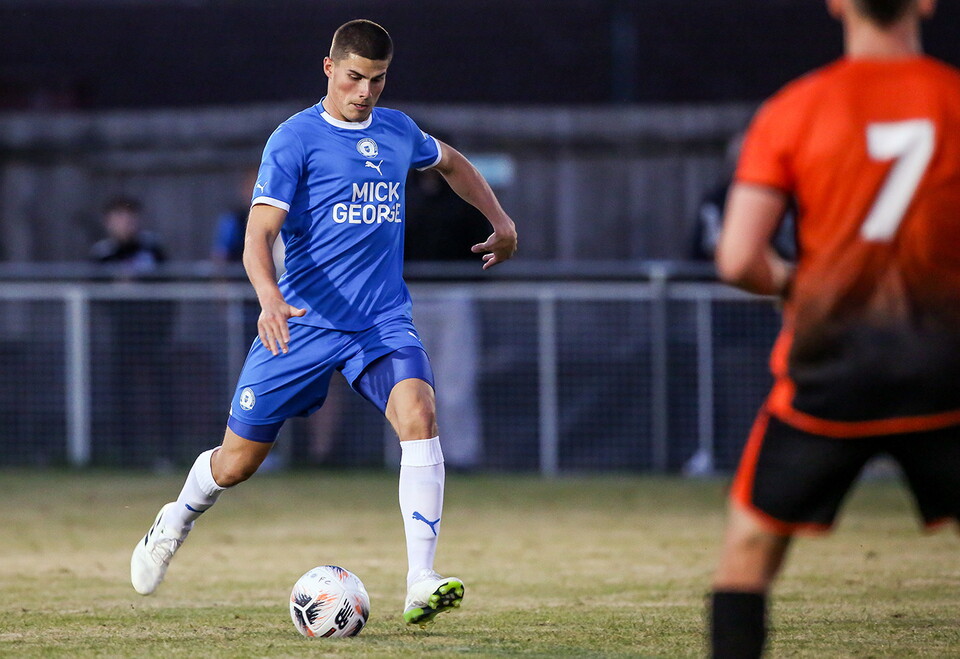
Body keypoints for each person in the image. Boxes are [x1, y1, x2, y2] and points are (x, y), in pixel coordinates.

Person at [130, 19, 518, 628]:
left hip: (381, 321)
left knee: (419, 414)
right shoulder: (294, 140)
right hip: (302, 322)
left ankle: (421, 580)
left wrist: (501, 219)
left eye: (379, 79)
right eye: (356, 76)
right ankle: (175, 517)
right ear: (330, 68)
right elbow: (258, 235)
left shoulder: (396, 131)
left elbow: (452, 163)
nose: (366, 91)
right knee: (236, 464)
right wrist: (267, 298)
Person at [708, 1, 960, 656]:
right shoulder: (952, 99)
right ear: (926, 3)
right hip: (947, 373)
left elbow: (738, 258)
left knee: (747, 558)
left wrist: (801, 284)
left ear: (837, 3)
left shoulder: (795, 109)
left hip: (830, 374)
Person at [90, 197, 175, 468]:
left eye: (129, 217)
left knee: (162, 393)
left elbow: (169, 287)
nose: (125, 224)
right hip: (121, 335)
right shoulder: (102, 253)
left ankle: (166, 453)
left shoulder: (152, 248)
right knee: (122, 395)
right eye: (119, 218)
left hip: (153, 334)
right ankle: (127, 455)